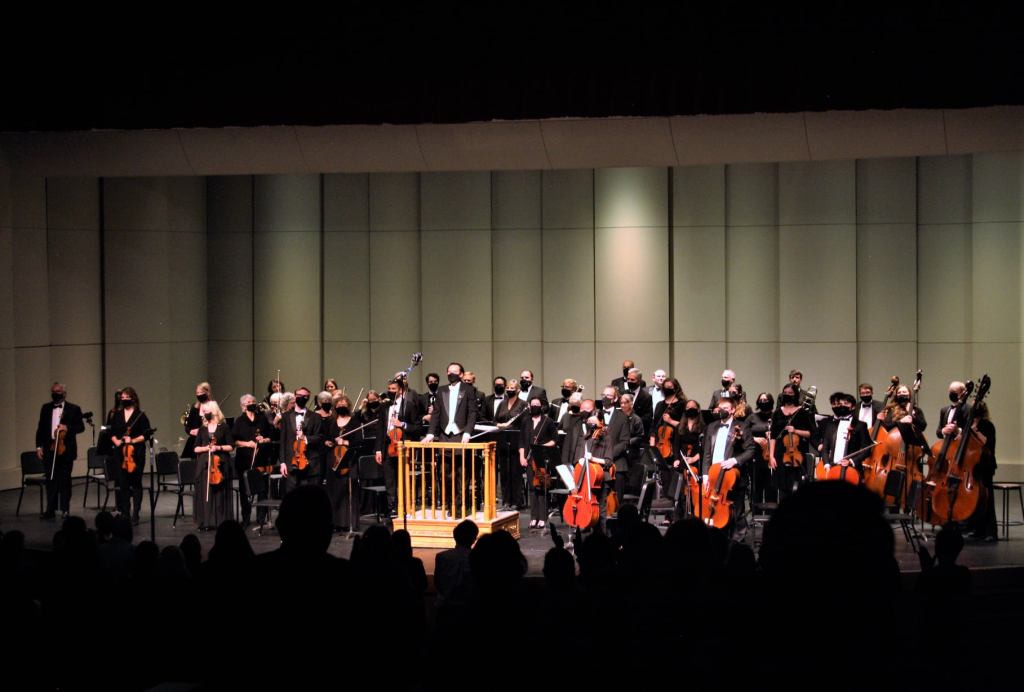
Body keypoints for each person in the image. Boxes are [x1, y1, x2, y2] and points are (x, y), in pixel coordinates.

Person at [700, 395, 754, 535]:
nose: (721, 411)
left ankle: (738, 540)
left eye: (725, 408)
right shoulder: (711, 427)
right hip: (714, 475)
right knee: (715, 509)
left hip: (733, 476)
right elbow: (707, 453)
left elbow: (750, 450)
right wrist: (705, 474)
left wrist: (734, 460)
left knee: (737, 512)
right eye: (720, 408)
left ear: (732, 410)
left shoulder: (742, 426)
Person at [34, 382, 85, 519]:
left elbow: (81, 427)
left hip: (66, 450)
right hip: (49, 449)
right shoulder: (45, 408)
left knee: (65, 481)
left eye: (58, 391)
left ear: (64, 393)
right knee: (50, 480)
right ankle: (50, 510)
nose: (55, 394)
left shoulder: (74, 409)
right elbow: (40, 428)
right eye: (53, 391)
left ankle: (65, 509)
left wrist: (67, 428)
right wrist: (39, 446)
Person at [375, 377, 421, 516]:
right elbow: (380, 429)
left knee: (403, 477)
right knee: (389, 479)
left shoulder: (409, 405)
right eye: (389, 389)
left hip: (403, 446)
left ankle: (405, 506)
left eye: (394, 389)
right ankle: (392, 508)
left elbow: (417, 427)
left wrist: (402, 424)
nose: (390, 391)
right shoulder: (384, 406)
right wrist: (378, 450)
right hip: (387, 445)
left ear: (401, 390)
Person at [109, 387, 151, 525]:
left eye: (126, 397)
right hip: (120, 454)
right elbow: (111, 431)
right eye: (122, 397)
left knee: (136, 483)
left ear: (133, 398)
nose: (123, 399)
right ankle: (125, 513)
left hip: (136, 454)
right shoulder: (117, 414)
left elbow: (146, 434)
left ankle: (135, 514)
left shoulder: (140, 415)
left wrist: (132, 440)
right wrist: (115, 440)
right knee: (123, 483)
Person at [231, 394, 273, 527]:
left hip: (261, 459)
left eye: (253, 401)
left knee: (262, 489)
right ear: (243, 406)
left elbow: (270, 436)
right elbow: (234, 441)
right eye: (249, 402)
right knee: (245, 490)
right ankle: (246, 517)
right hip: (244, 460)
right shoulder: (239, 421)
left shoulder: (262, 419)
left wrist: (264, 439)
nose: (252, 404)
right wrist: (247, 444)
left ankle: (261, 518)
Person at [519, 396, 559, 530]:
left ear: (541, 406)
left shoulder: (547, 421)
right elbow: (522, 441)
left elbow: (555, 439)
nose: (535, 406)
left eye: (537, 404)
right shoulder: (526, 421)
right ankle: (533, 517)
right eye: (532, 404)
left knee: (541, 488)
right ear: (529, 406)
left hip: (542, 458)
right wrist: (522, 456)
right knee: (532, 488)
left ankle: (542, 517)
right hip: (529, 458)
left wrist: (542, 446)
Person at [769, 383, 815, 500]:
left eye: (790, 393)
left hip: (797, 453)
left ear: (795, 395)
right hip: (780, 453)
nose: (787, 395)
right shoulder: (777, 412)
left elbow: (810, 433)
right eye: (785, 393)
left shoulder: (802, 412)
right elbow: (773, 436)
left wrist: (795, 431)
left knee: (798, 488)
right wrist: (771, 456)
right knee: (782, 488)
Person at [193, 400, 233, 531]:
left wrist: (218, 447)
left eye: (206, 411)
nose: (204, 414)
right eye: (203, 412)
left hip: (220, 464)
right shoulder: (202, 429)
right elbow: (196, 448)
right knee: (206, 493)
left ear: (214, 411)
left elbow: (231, 446)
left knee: (219, 494)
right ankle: (206, 521)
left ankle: (220, 521)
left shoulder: (224, 427)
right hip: (204, 465)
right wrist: (206, 448)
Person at [181, 381, 212, 459]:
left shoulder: (213, 407)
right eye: (197, 393)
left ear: (207, 393)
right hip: (194, 442)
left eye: (201, 392)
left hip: (207, 442)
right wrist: (191, 431)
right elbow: (187, 427)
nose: (199, 395)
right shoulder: (194, 408)